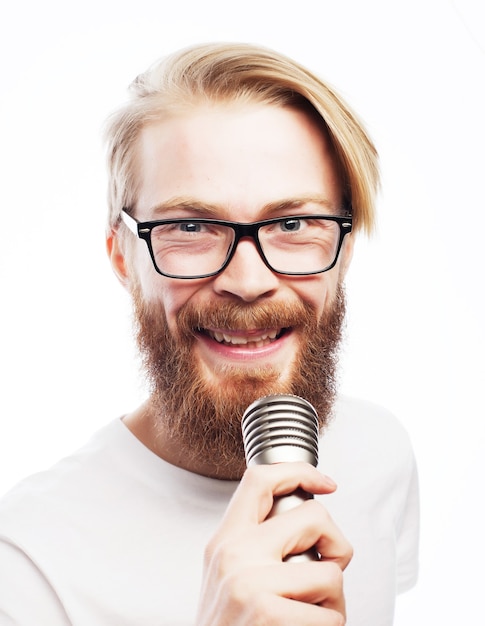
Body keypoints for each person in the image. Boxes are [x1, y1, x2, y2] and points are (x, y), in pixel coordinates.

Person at [0, 42, 419, 625]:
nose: (248, 281)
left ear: (344, 249)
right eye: (190, 226)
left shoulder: (381, 454)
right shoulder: (26, 566)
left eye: (294, 223)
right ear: (123, 256)